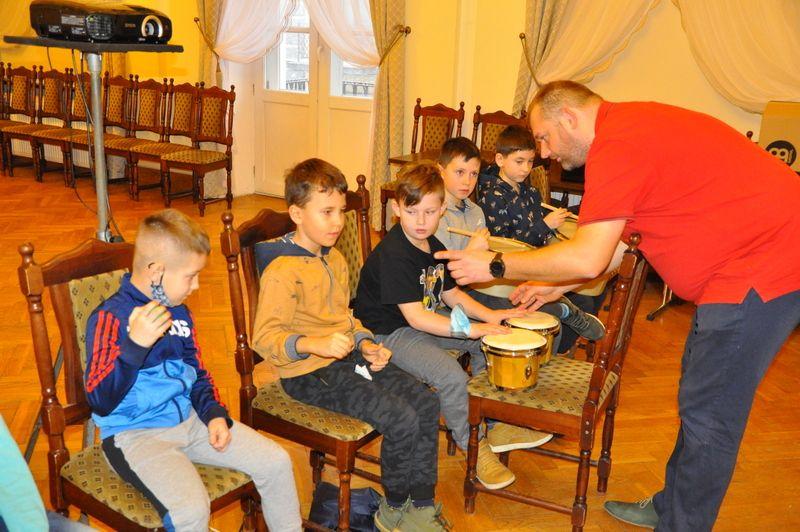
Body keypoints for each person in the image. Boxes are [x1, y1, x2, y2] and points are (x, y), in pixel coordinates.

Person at [434, 80, 800, 531]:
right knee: (699, 396)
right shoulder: (629, 128)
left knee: (711, 415)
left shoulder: (618, 145)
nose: (545, 153)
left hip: (762, 268)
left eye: (544, 137)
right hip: (750, 264)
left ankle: (682, 524)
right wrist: (554, 286)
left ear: (569, 117)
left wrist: (495, 264)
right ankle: (671, 506)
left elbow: (588, 255)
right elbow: (614, 250)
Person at [250, 158, 446, 532]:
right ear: (297, 214)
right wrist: (315, 344)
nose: (338, 221)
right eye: (326, 212)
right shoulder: (282, 270)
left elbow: (345, 318)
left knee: (425, 401)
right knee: (400, 416)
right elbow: (265, 338)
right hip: (307, 375)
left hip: (346, 361)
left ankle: (420, 505)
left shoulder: (335, 259)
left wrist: (365, 342)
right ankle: (393, 510)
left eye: (340, 211)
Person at [84, 209, 302, 532]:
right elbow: (99, 400)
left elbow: (197, 373)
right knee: (191, 511)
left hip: (191, 421)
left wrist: (213, 414)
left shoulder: (180, 314)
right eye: (190, 276)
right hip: (136, 436)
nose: (197, 286)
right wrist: (134, 347)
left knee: (276, 462)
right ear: (156, 271)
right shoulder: (110, 318)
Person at [354, 161, 524, 491]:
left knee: (488, 342)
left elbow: (450, 293)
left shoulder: (432, 245)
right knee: (451, 376)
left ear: (442, 210)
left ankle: (489, 421)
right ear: (396, 209)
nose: (421, 221)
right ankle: (473, 446)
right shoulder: (394, 254)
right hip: (388, 334)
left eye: (430, 212)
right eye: (412, 211)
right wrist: (470, 329)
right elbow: (417, 318)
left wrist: (487, 318)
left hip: (419, 324)